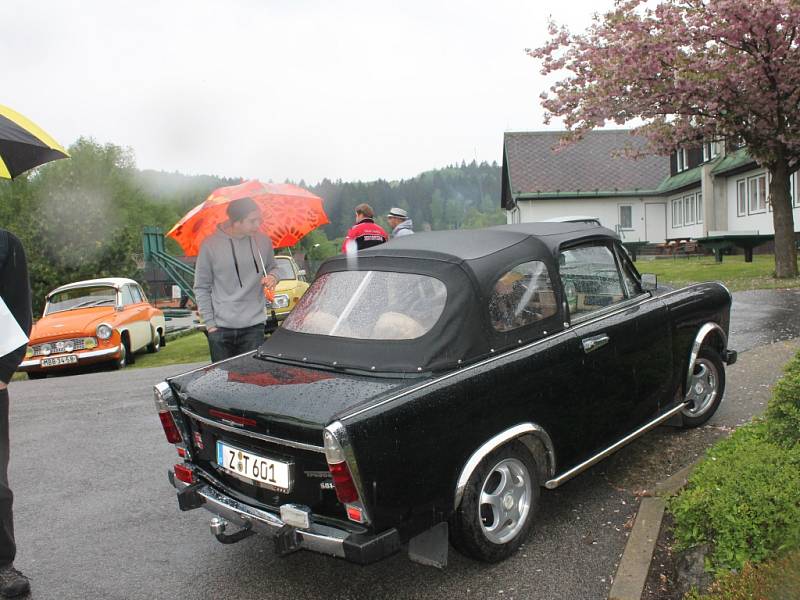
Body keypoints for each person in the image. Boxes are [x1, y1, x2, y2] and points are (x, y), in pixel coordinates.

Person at [194, 197, 281, 363]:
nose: (258, 225)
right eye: (252, 221)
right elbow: (201, 287)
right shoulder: (210, 245)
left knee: (251, 381)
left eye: (259, 220)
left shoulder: (263, 241)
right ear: (236, 221)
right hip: (220, 329)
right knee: (222, 385)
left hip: (254, 327)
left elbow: (275, 267)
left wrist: (273, 277)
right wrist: (210, 324)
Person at [0, 229, 32, 598]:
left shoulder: (6, 244)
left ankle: (1, 564)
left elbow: (19, 309)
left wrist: (2, 372)